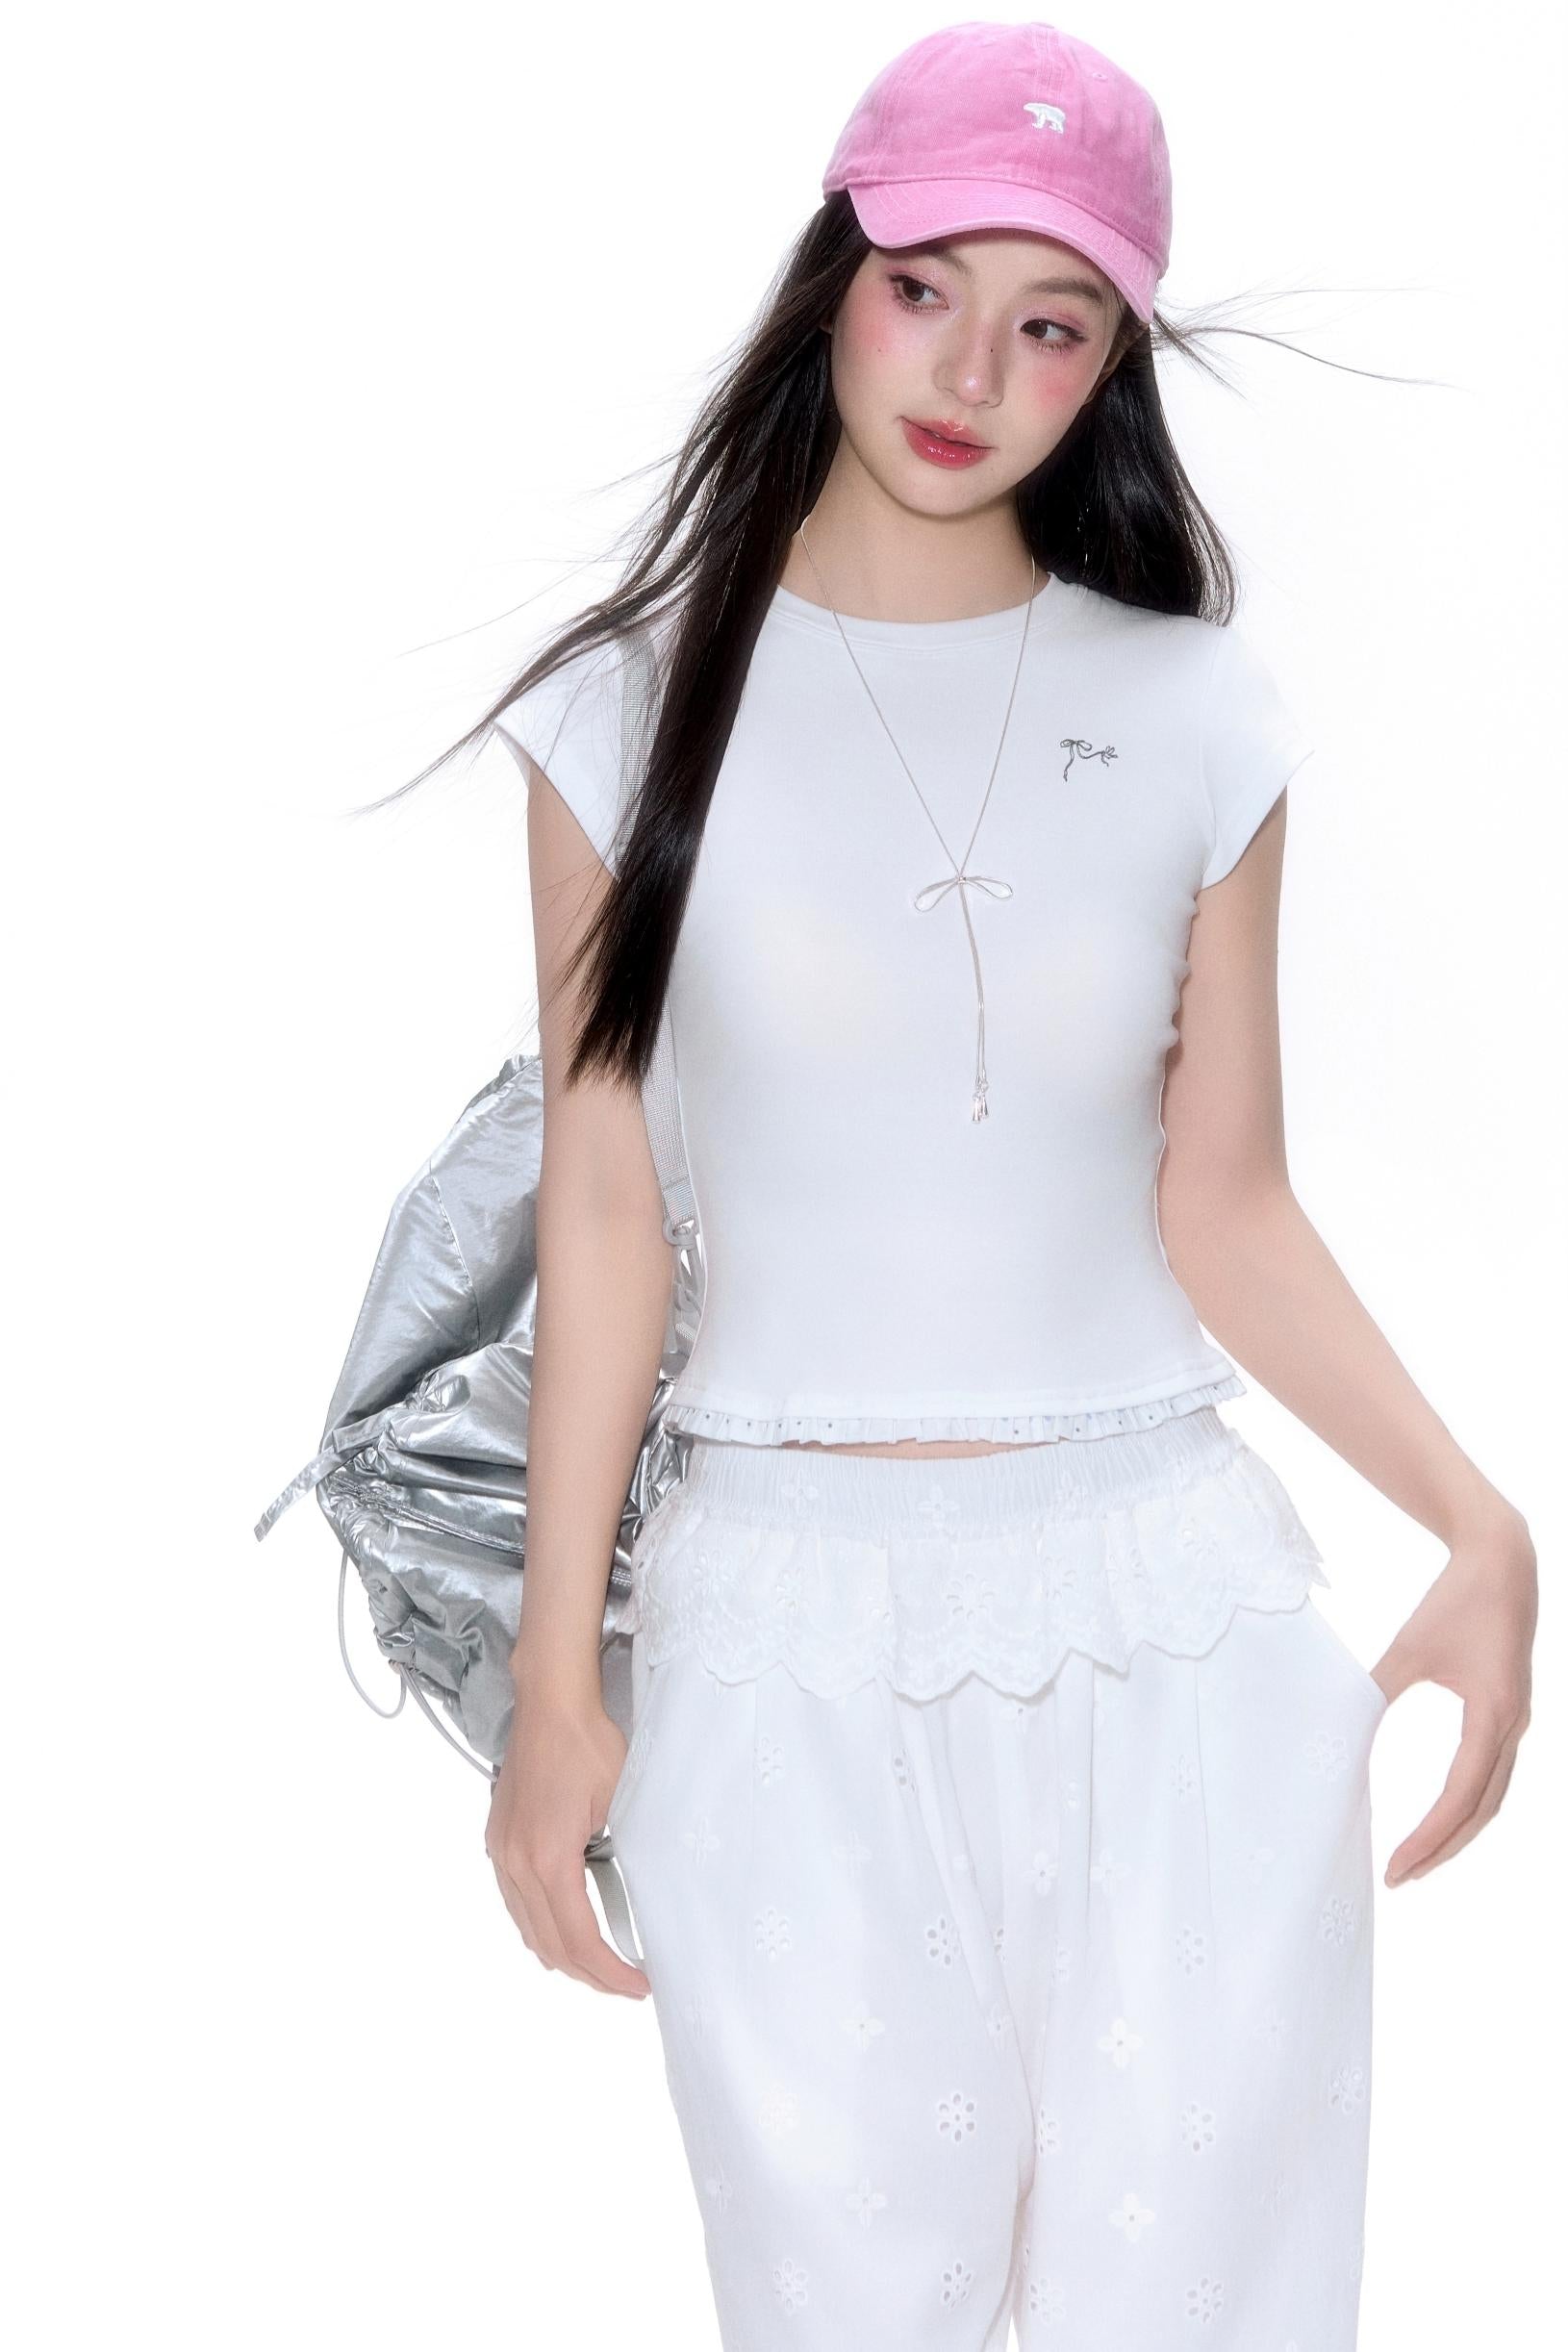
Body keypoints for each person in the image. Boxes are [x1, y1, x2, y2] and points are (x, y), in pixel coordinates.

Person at [466, 22, 1535, 2348]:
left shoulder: (1197, 712)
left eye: (1050, 323)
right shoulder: (621, 720)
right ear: (831, 276)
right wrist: (556, 1680)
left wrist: (1477, 1520)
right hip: (774, 1637)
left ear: (1111, 362)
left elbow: (1221, 1198)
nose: (972, 372)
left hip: (1170, 1623)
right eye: (925, 287)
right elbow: (604, 1215)